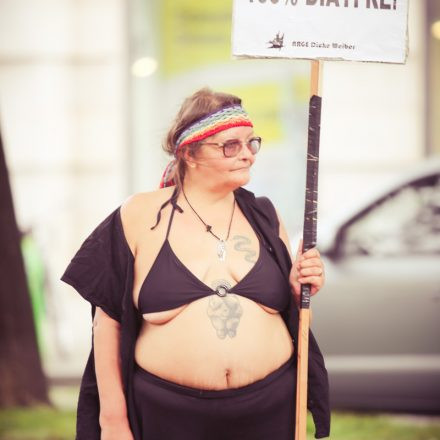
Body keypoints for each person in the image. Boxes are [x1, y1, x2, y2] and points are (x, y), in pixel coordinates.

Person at [60, 88, 330, 440]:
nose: (247, 155)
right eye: (230, 145)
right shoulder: (140, 215)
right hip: (168, 416)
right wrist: (112, 420)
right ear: (190, 153)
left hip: (269, 408)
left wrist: (300, 288)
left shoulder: (264, 215)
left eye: (252, 143)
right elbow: (107, 321)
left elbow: (287, 311)